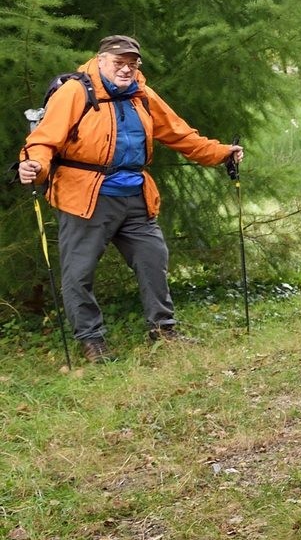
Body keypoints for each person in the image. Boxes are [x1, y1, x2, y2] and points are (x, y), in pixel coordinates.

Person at [17, 35, 243, 363]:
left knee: (153, 258)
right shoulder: (75, 92)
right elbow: (43, 140)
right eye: (119, 63)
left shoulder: (142, 95)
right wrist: (35, 167)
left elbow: (180, 134)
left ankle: (163, 330)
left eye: (132, 64)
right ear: (101, 61)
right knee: (79, 272)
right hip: (85, 198)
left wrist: (221, 153)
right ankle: (91, 340)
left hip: (135, 195)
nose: (126, 69)